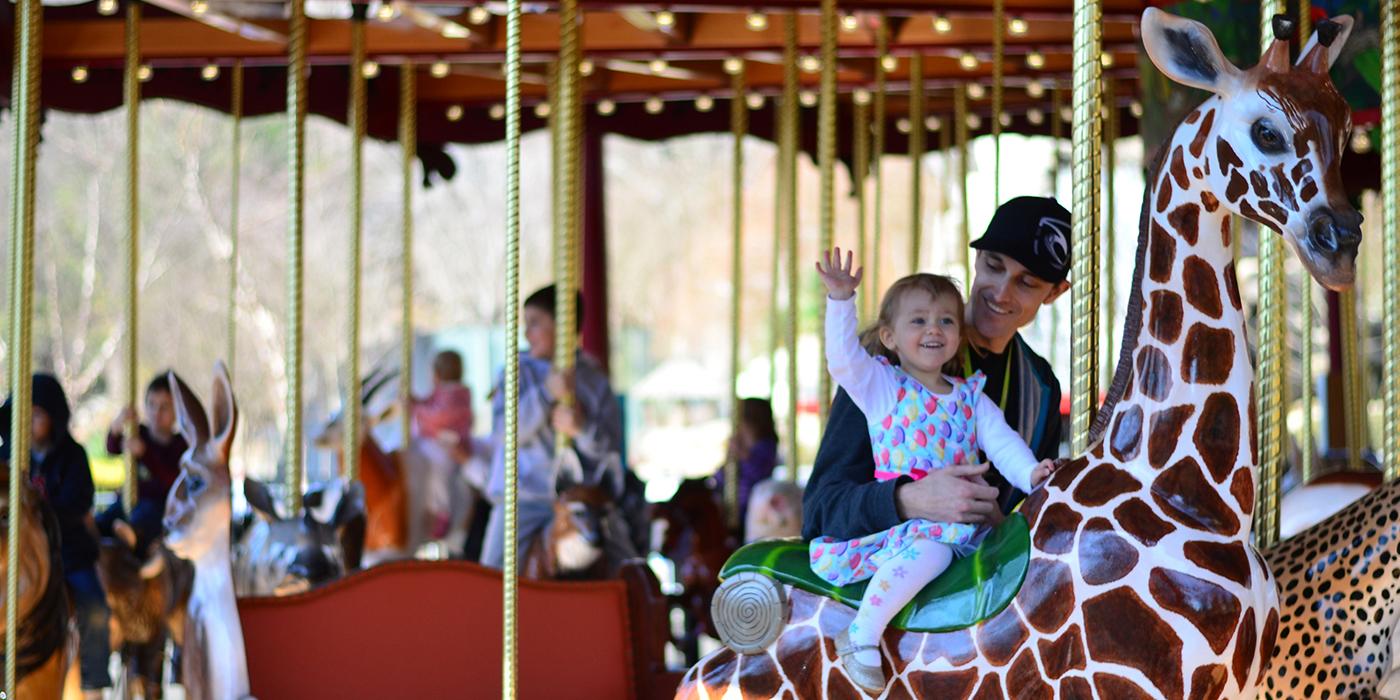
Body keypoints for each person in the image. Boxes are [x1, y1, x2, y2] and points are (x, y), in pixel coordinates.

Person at [810, 249, 1055, 693]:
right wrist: (841, 300)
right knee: (932, 555)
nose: (933, 330)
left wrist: (1033, 474)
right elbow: (843, 360)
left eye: (945, 321)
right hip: (911, 529)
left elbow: (1003, 445)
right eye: (918, 321)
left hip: (960, 526)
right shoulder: (882, 386)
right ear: (889, 336)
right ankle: (862, 633)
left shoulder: (970, 396)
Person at [803, 196, 1072, 549]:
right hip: (899, 570)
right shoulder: (889, 357)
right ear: (977, 259)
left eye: (1027, 283)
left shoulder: (1042, 387)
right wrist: (907, 499)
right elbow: (820, 510)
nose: (1002, 292)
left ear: (1055, 293)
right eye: (994, 265)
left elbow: (1034, 511)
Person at [480, 285, 627, 568]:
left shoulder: (593, 380)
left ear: (563, 325)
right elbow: (504, 433)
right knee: (493, 576)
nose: (526, 334)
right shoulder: (516, 373)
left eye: (535, 323)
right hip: (524, 498)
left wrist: (582, 429)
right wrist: (546, 393)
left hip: (581, 501)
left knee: (626, 562)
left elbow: (610, 448)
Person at [19, 374, 110, 697]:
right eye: (25, 414)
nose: (30, 423)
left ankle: (94, 678)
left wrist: (39, 513)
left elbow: (78, 501)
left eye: (38, 415)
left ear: (54, 418)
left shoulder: (73, 456)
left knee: (95, 607)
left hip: (67, 552)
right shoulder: (14, 456)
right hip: (25, 557)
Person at [99, 372, 189, 552]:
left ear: (176, 411)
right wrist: (116, 428)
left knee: (149, 516)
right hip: (129, 501)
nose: (156, 413)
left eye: (164, 407)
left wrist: (145, 453)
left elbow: (171, 480)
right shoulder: (139, 432)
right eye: (151, 405)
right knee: (103, 520)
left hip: (159, 506)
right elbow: (112, 448)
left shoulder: (181, 445)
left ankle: (133, 536)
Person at [411, 349, 475, 540]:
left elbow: (440, 416)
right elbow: (430, 404)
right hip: (435, 440)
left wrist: (416, 408)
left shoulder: (457, 394)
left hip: (451, 443)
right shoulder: (442, 392)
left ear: (437, 374)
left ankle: (442, 510)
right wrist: (417, 402)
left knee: (438, 468)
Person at [713, 397, 779, 539]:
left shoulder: (766, 445)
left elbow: (759, 473)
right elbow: (721, 475)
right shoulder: (741, 444)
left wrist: (742, 452)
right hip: (732, 501)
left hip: (753, 502)